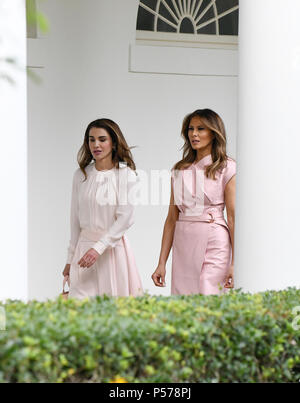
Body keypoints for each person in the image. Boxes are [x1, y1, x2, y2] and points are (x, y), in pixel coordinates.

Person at [151, 109, 236, 295]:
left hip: (214, 240)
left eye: (201, 129)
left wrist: (235, 263)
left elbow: (232, 217)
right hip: (184, 241)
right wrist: (161, 263)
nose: (194, 134)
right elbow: (171, 218)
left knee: (209, 295)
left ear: (214, 133)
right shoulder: (179, 169)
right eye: (191, 129)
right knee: (184, 300)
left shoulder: (227, 167)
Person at [62, 118, 143, 299]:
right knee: (79, 308)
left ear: (113, 143)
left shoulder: (126, 175)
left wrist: (99, 247)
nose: (96, 145)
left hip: (112, 252)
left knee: (112, 308)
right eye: (91, 140)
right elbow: (74, 221)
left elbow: (125, 218)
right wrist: (69, 259)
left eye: (102, 139)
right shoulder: (81, 175)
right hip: (83, 253)